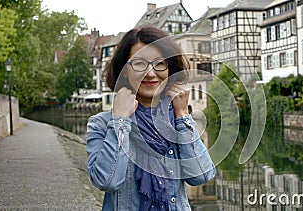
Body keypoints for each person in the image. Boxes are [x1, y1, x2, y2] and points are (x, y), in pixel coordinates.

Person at [86, 25, 216, 211]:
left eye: (160, 63)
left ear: (170, 69)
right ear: (124, 70)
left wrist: (182, 115)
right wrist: (120, 121)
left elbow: (201, 176)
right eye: (139, 63)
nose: (150, 73)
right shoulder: (102, 124)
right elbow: (107, 181)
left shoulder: (177, 122)